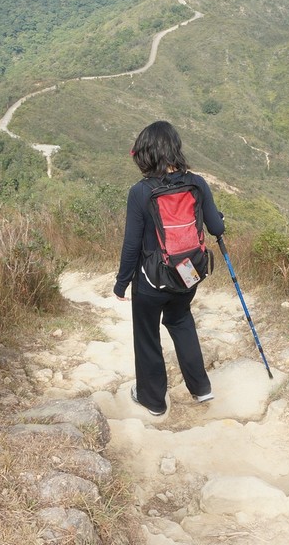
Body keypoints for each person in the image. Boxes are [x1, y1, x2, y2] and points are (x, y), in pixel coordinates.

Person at [114, 121, 225, 416]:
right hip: (188, 273)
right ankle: (201, 388)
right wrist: (219, 217)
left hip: (151, 281)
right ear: (175, 148)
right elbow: (216, 227)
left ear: (145, 153)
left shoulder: (141, 192)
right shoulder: (197, 183)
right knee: (181, 321)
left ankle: (153, 400)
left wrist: (122, 282)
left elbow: (131, 245)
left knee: (147, 335)